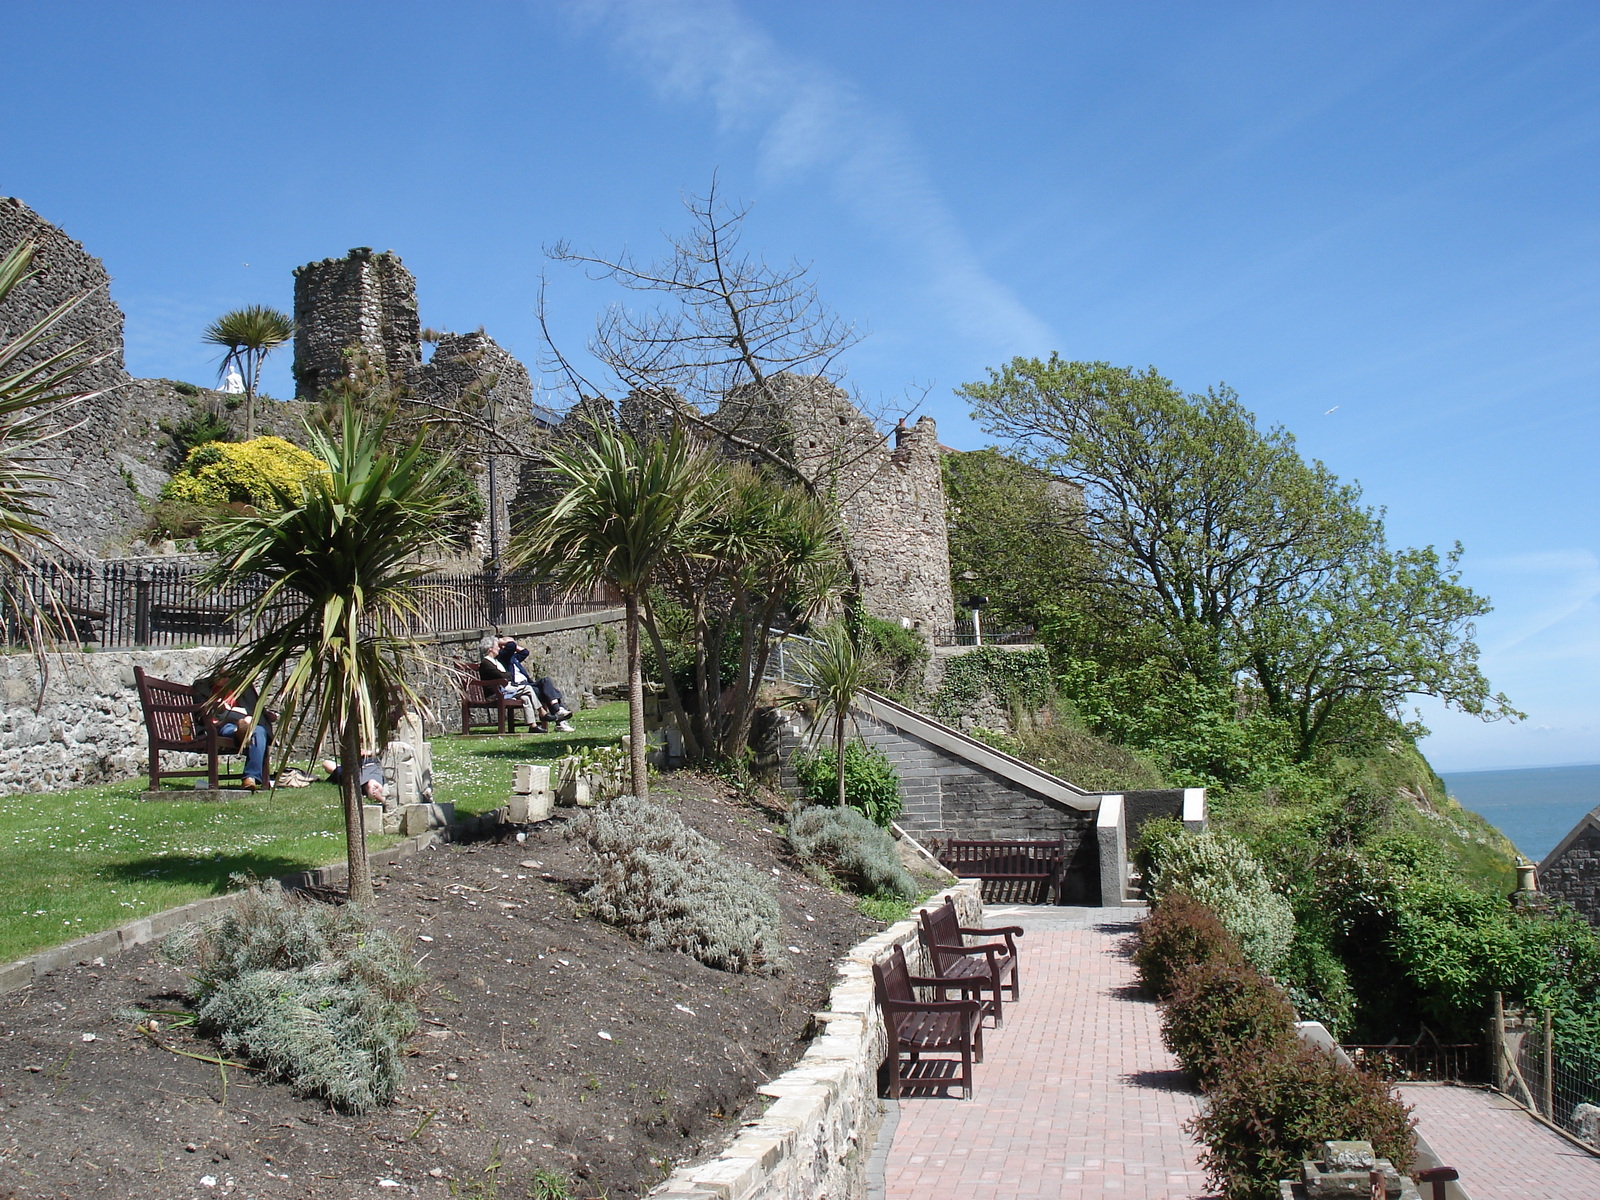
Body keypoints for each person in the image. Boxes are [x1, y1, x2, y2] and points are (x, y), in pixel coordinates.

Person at [192, 671, 274, 791]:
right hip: (219, 726)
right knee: (241, 729)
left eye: (228, 676)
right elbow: (200, 711)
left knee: (259, 731)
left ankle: (250, 778)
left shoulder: (242, 687)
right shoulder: (203, 687)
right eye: (221, 676)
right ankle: (241, 732)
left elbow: (254, 707)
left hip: (244, 722)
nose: (225, 680)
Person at [478, 634, 575, 732]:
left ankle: (534, 726)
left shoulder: (509, 659)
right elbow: (504, 675)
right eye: (497, 646)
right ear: (490, 649)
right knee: (542, 692)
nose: (498, 648)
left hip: (511, 688)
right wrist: (501, 641)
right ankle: (548, 714)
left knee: (543, 686)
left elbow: (524, 652)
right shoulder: (497, 660)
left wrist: (509, 645)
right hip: (502, 691)